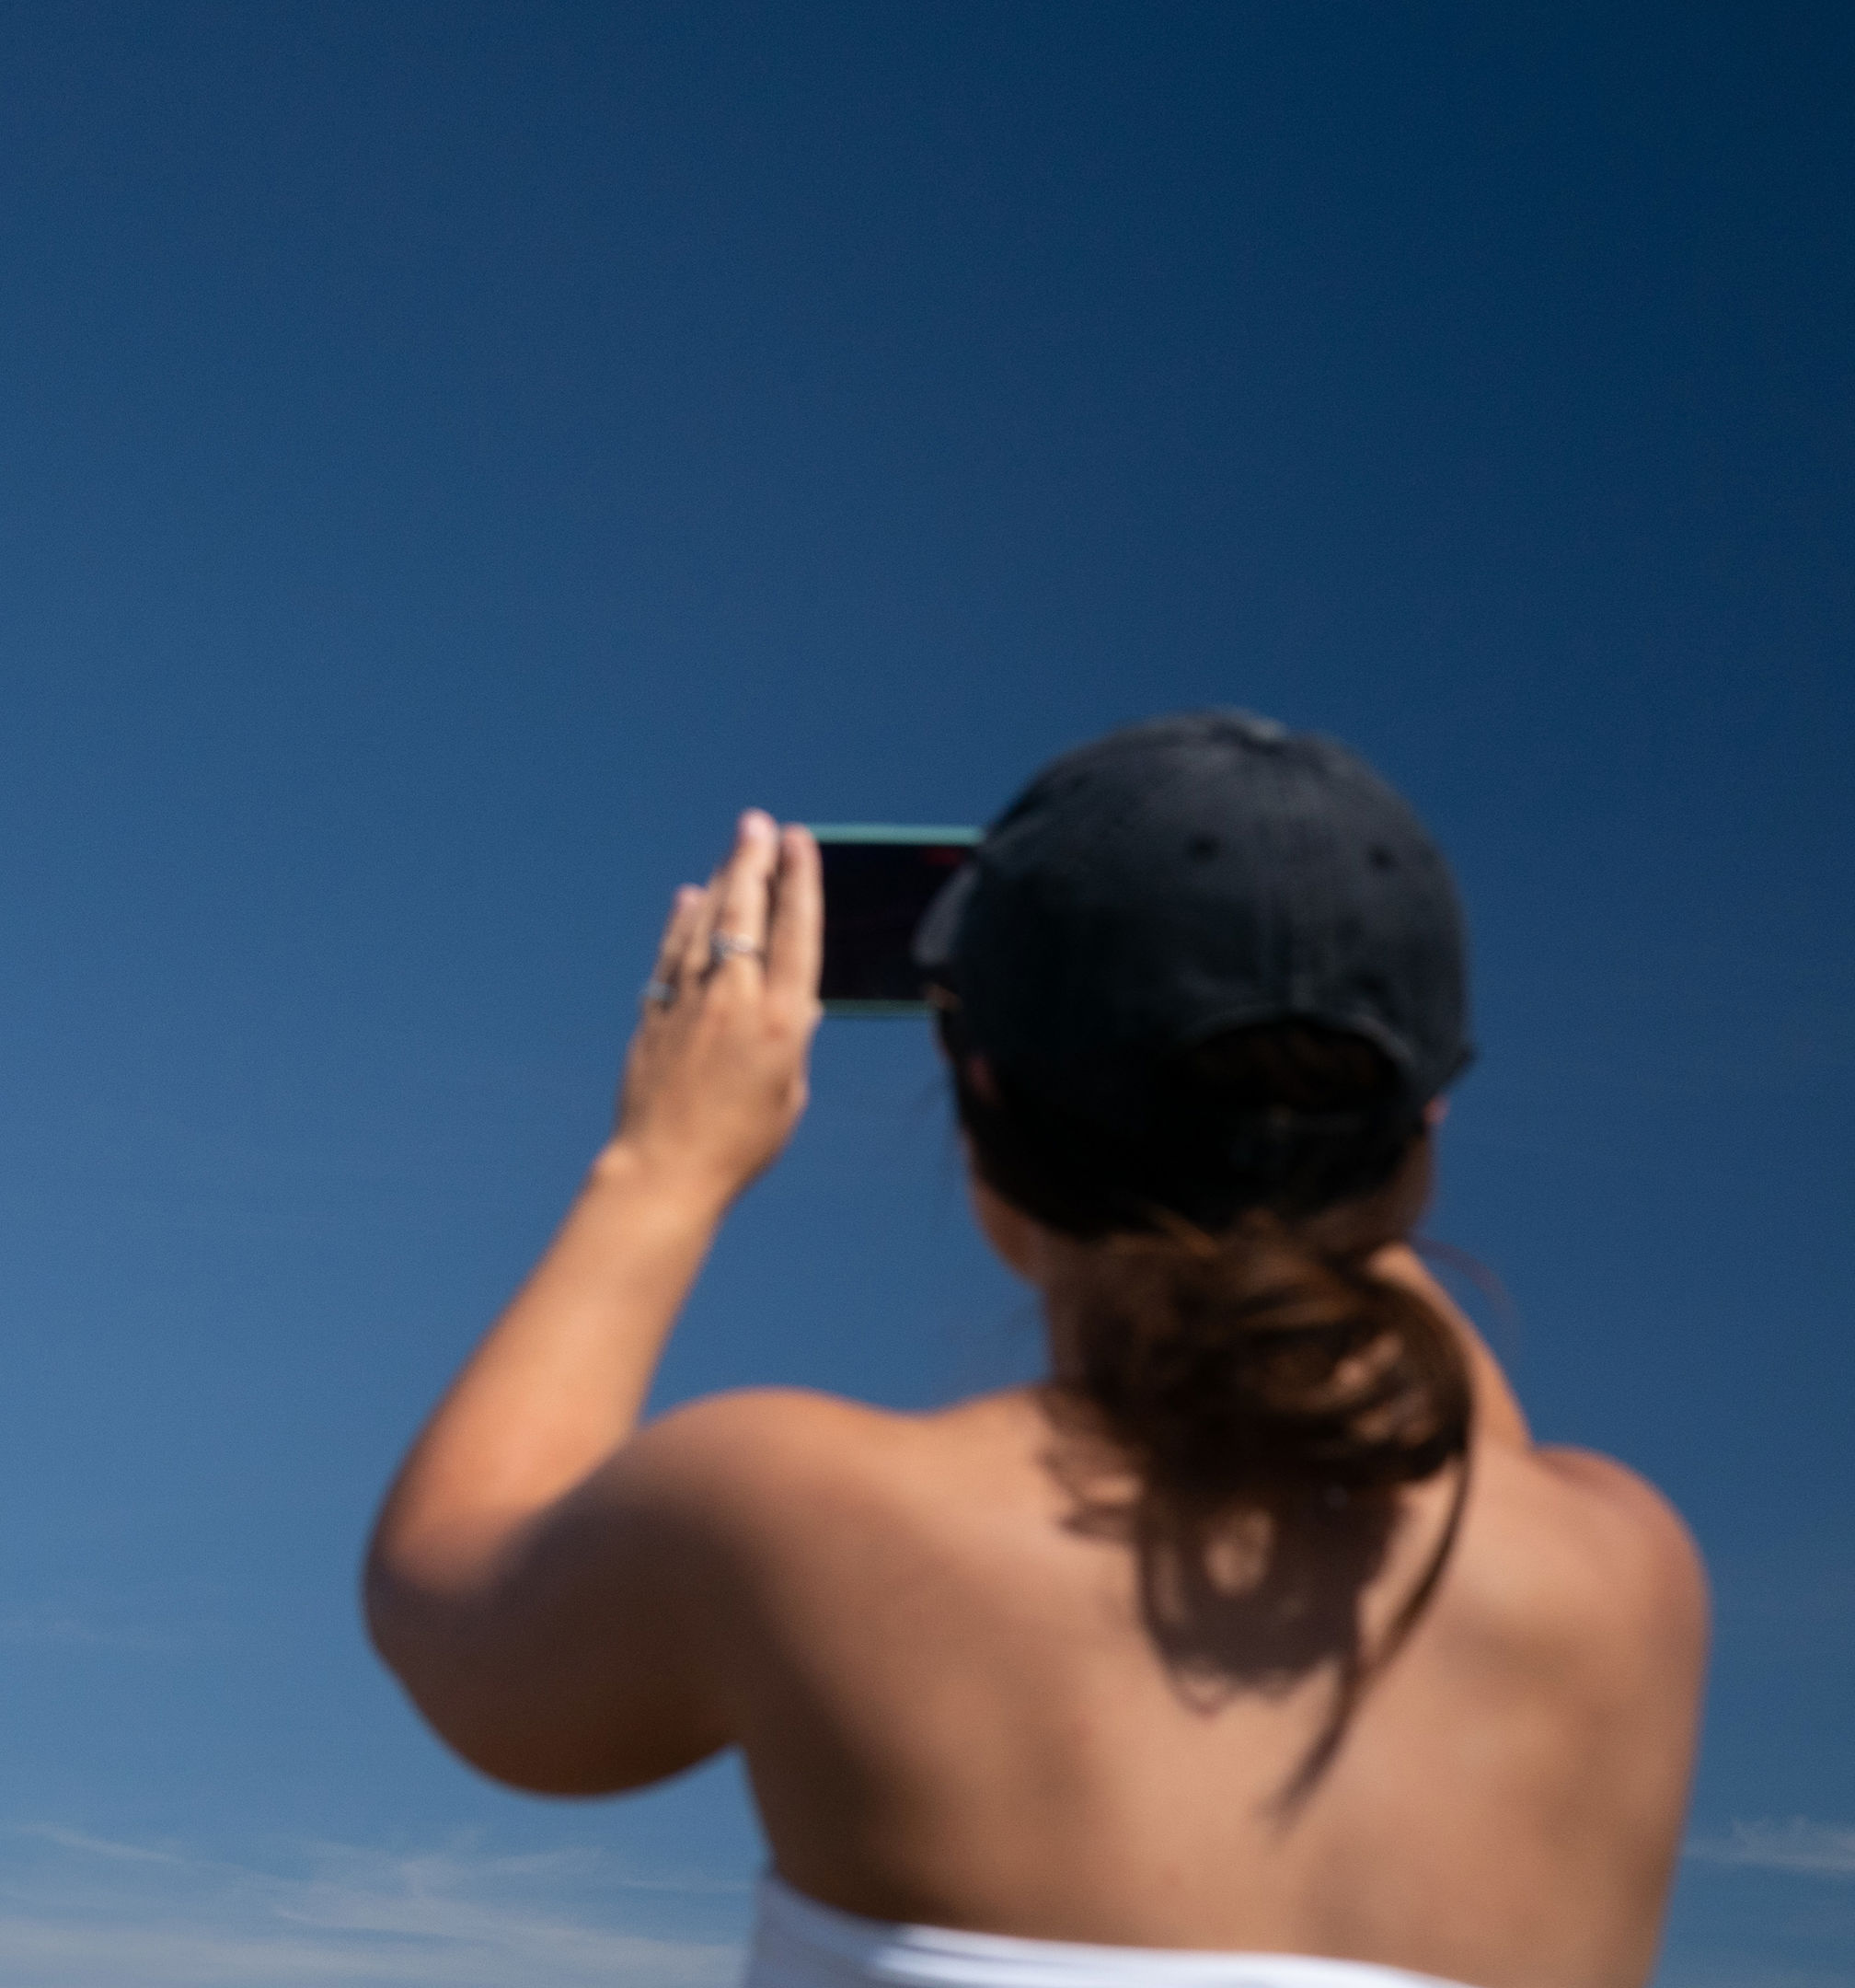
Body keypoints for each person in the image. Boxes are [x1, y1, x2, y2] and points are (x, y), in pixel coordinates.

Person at [363, 713, 1706, 1988]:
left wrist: (662, 1166)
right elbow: (1453, 1432)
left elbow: (444, 1596)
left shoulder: (799, 1520)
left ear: (981, 1092)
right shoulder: (1626, 1585)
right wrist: (1311, 1128)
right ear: (1424, 1130)